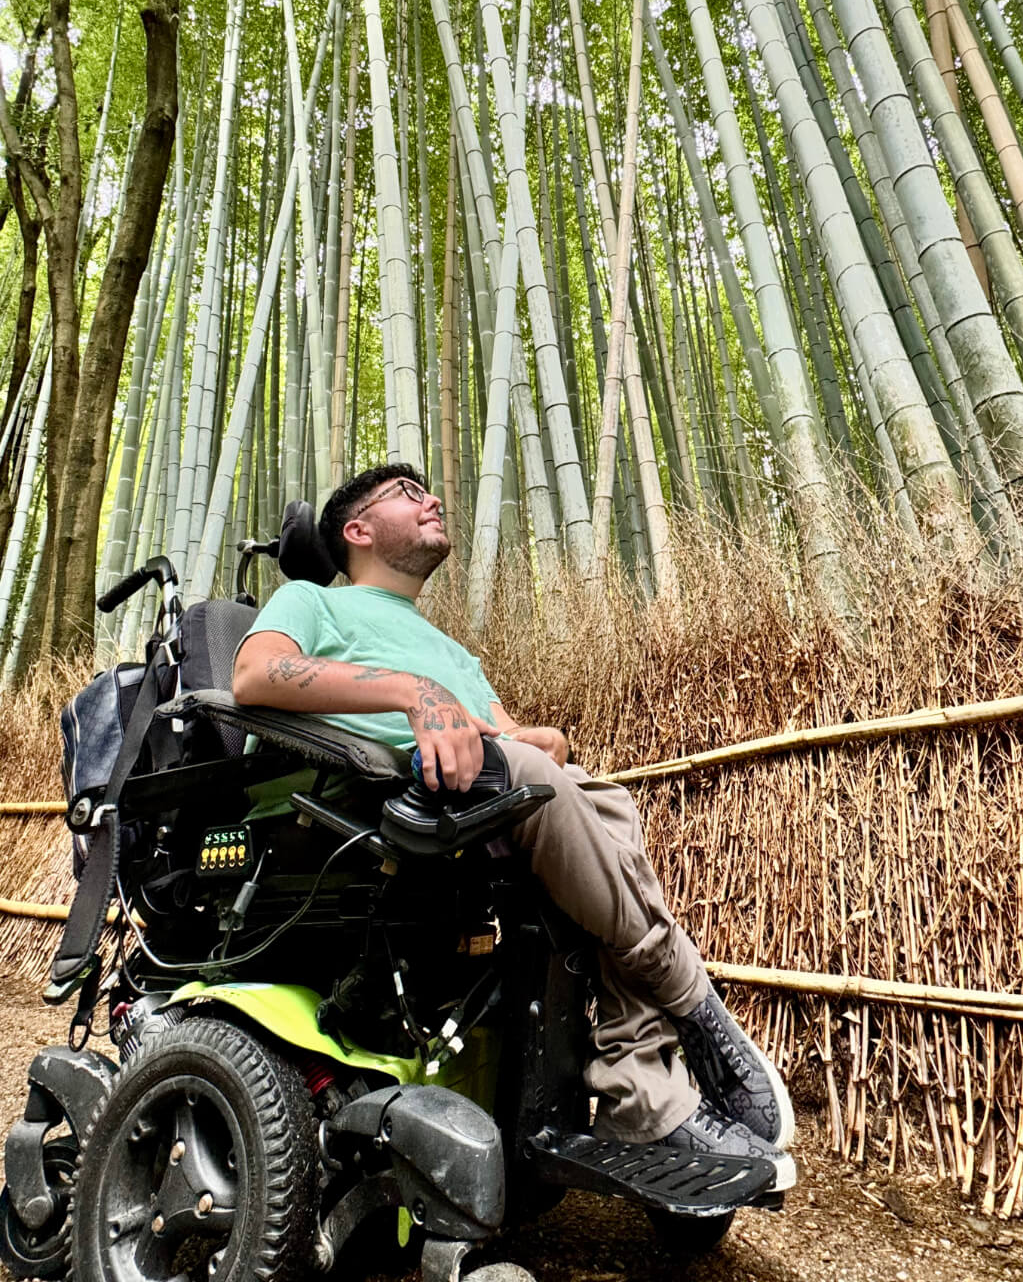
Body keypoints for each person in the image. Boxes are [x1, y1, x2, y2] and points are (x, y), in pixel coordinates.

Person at [232, 464, 795, 1170]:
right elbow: (255, 676)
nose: (435, 498)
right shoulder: (313, 603)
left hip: (480, 804)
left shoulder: (452, 650)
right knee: (543, 783)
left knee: (602, 798)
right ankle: (691, 1002)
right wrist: (416, 694)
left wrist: (545, 740)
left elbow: (516, 739)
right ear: (358, 530)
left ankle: (647, 1093)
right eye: (409, 494)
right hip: (357, 809)